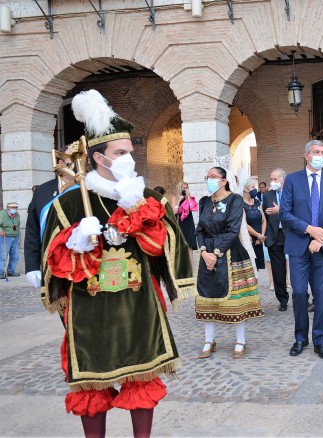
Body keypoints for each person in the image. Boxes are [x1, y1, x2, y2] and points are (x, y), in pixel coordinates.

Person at [41, 89, 194, 437]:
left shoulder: (148, 198)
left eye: (129, 152)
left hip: (139, 304)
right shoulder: (70, 205)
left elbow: (168, 245)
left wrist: (138, 216)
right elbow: (52, 259)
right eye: (120, 153)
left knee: (143, 382)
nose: (129, 158)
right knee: (91, 387)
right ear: (99, 158)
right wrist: (76, 241)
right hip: (90, 310)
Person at [280, 140, 323, 359]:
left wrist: (321, 237)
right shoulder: (292, 180)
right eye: (316, 152)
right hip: (298, 246)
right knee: (298, 293)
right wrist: (309, 230)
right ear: (307, 156)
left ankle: (320, 340)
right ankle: (300, 338)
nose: (320, 156)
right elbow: (285, 213)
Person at [196, 166, 264, 360]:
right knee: (207, 297)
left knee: (236, 299)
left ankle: (240, 340)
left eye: (213, 177)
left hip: (230, 252)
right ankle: (209, 340)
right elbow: (199, 230)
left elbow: (234, 230)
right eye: (207, 176)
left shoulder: (235, 200)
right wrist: (204, 252)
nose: (209, 179)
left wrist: (215, 254)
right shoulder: (204, 202)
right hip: (207, 252)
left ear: (224, 181)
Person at [24, 144, 78, 290]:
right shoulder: (43, 190)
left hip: (84, 261)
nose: (79, 162)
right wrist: (32, 266)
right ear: (60, 162)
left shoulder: (91, 189)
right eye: (73, 158)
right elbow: (32, 230)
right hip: (53, 262)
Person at [262, 168, 289, 310]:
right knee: (278, 270)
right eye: (271, 179)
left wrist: (281, 209)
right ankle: (282, 299)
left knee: (297, 267)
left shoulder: (292, 193)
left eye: (275, 179)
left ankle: (304, 297)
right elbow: (264, 217)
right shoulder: (267, 196)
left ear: (283, 179)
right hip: (274, 236)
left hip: (291, 234)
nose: (272, 182)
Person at [242, 178, 267, 270]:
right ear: (246, 189)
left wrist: (262, 236)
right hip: (248, 239)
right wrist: (258, 236)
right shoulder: (241, 203)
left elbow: (263, 220)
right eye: (253, 187)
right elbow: (244, 224)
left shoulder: (256, 202)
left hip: (259, 239)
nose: (255, 190)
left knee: (257, 267)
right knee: (249, 268)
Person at [170, 181, 198, 261]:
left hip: (188, 222)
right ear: (179, 189)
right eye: (183, 188)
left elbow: (193, 208)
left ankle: (189, 266)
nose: (185, 190)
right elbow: (174, 212)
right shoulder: (174, 198)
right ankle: (181, 265)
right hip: (180, 223)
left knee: (189, 244)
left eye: (186, 188)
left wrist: (188, 198)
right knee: (180, 244)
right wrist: (179, 201)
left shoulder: (189, 198)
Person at [0, 201, 21, 278]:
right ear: (8, 208)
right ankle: (1, 273)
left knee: (15, 256)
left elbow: (17, 226)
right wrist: (1, 231)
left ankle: (10, 271)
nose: (14, 209)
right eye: (12, 207)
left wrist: (19, 237)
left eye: (15, 207)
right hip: (5, 237)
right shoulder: (2, 214)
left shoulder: (17, 215)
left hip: (15, 237)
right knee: (3, 256)